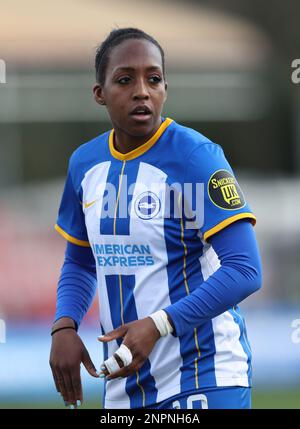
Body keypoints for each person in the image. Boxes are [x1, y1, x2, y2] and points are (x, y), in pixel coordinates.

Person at [49, 28, 262, 410]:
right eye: (125, 80)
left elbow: (245, 269)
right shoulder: (84, 165)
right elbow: (81, 260)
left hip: (205, 375)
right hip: (124, 385)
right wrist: (64, 325)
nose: (142, 91)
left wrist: (160, 324)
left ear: (165, 87)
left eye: (154, 79)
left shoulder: (197, 157)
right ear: (100, 94)